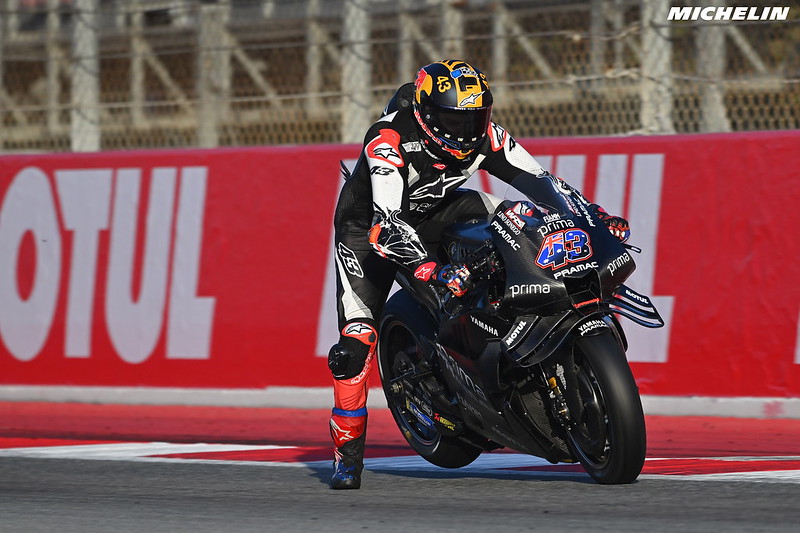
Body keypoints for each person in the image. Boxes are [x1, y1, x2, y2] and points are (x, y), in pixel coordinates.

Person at [327, 59, 630, 489]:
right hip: (369, 232)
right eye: (454, 120)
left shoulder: (487, 135)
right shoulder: (388, 141)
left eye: (474, 118)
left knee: (523, 221)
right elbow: (389, 224)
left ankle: (509, 350)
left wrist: (594, 218)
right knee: (354, 347)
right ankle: (347, 457)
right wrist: (431, 269)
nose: (466, 131)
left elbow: (542, 182)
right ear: (426, 114)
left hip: (442, 208)